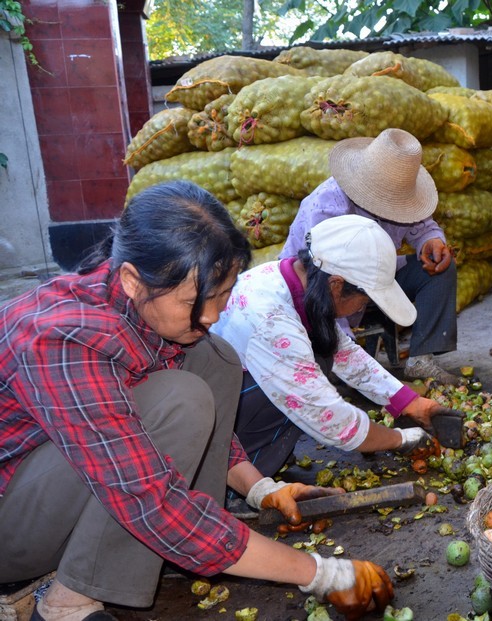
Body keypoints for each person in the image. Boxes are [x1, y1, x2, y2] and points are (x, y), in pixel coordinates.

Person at [0, 182, 393, 621]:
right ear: (132, 279)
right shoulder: (65, 339)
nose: (210, 315)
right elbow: (147, 495)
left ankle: (174, 549)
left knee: (214, 356)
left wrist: (261, 488)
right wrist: (319, 572)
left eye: (222, 295)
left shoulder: (144, 305)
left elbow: (207, 414)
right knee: (179, 400)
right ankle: (68, 603)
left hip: (59, 488)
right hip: (11, 527)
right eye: (194, 300)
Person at [212, 215, 450, 478]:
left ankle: (265, 452)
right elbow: (326, 415)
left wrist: (409, 403)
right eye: (364, 299)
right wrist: (401, 440)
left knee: (324, 351)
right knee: (309, 376)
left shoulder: (298, 283)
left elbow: (344, 354)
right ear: (336, 285)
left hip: (231, 393)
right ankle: (241, 475)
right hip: (215, 427)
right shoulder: (273, 321)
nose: (363, 307)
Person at [279, 128, 461, 386]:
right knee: (330, 377)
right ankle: (339, 355)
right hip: (318, 291)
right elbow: (324, 283)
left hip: (375, 279)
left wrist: (431, 241)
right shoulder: (326, 206)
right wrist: (348, 356)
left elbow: (423, 226)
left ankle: (421, 360)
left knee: (441, 269)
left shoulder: (404, 196)